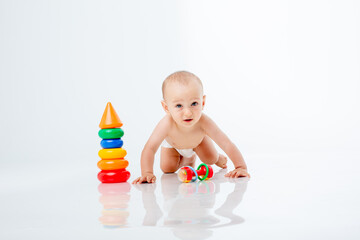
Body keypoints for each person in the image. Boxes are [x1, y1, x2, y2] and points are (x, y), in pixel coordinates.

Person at [132, 71, 250, 184]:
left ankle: (217, 158)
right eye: (179, 106)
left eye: (194, 104)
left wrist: (241, 167)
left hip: (198, 142)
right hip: (174, 145)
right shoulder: (166, 124)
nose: (188, 113)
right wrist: (147, 172)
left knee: (210, 158)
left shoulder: (204, 122)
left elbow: (226, 143)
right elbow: (150, 148)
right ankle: (188, 159)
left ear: (202, 103)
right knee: (167, 169)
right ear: (166, 107)